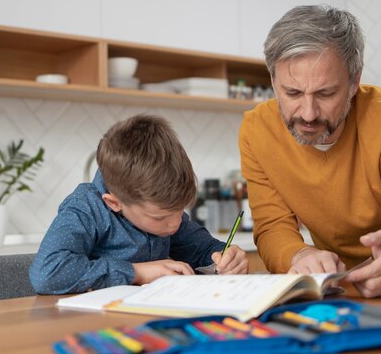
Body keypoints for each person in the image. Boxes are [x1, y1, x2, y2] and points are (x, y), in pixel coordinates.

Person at [239, 5, 381, 298]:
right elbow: (272, 227)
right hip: (342, 276)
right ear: (272, 80)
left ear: (354, 80)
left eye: (325, 93)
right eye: (293, 93)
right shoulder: (257, 130)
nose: (308, 114)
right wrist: (299, 255)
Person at [30, 114, 248, 294]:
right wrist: (136, 272)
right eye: (160, 218)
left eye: (180, 210)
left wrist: (225, 257)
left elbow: (201, 248)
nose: (174, 224)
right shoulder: (85, 208)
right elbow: (47, 273)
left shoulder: (167, 215)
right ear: (114, 203)